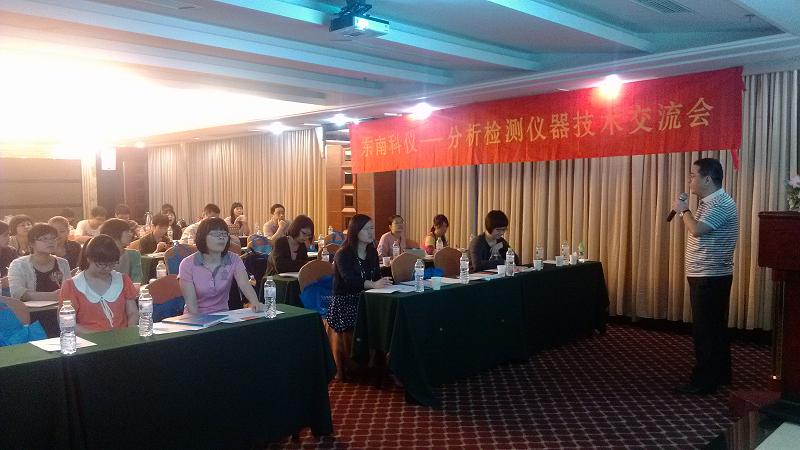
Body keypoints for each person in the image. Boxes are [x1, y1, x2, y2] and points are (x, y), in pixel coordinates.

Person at [673, 158, 739, 395]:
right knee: (714, 328)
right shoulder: (709, 202)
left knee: (706, 330)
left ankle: (704, 382)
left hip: (710, 275)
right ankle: (720, 374)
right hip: (708, 273)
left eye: (693, 175)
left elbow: (698, 230)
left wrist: (684, 210)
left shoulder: (720, 203)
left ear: (708, 179)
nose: (689, 180)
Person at [329, 214, 392, 380]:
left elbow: (376, 276)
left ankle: (383, 364)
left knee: (387, 315)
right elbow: (349, 280)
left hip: (367, 298)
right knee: (362, 318)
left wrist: (383, 282)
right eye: (367, 229)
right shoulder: (343, 254)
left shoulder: (371, 252)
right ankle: (358, 367)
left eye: (372, 228)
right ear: (355, 231)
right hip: (345, 301)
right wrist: (373, 284)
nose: (371, 232)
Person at [178, 217, 263, 314]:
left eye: (224, 234)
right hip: (194, 318)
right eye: (216, 234)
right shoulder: (187, 264)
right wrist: (201, 322)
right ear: (203, 237)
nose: (221, 238)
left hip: (223, 315)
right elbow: (192, 306)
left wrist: (255, 303)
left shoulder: (234, 259)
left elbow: (245, 285)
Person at [58, 235, 139, 333]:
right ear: (89, 258)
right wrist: (97, 336)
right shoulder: (72, 285)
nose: (107, 269)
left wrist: (129, 332)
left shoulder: (123, 280)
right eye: (101, 264)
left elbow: (133, 313)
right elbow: (66, 322)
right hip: (88, 339)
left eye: (112, 264)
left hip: (122, 336)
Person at [7, 223, 71, 302]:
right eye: (44, 239)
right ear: (31, 244)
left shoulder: (63, 263)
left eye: (53, 238)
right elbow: (17, 293)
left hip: (60, 308)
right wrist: (51, 296)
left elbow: (69, 290)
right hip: (29, 309)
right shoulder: (18, 264)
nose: (50, 242)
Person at [98, 219, 144, 284]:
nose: (131, 234)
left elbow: (137, 280)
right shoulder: (98, 255)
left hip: (129, 289)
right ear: (115, 233)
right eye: (128, 231)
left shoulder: (133, 255)